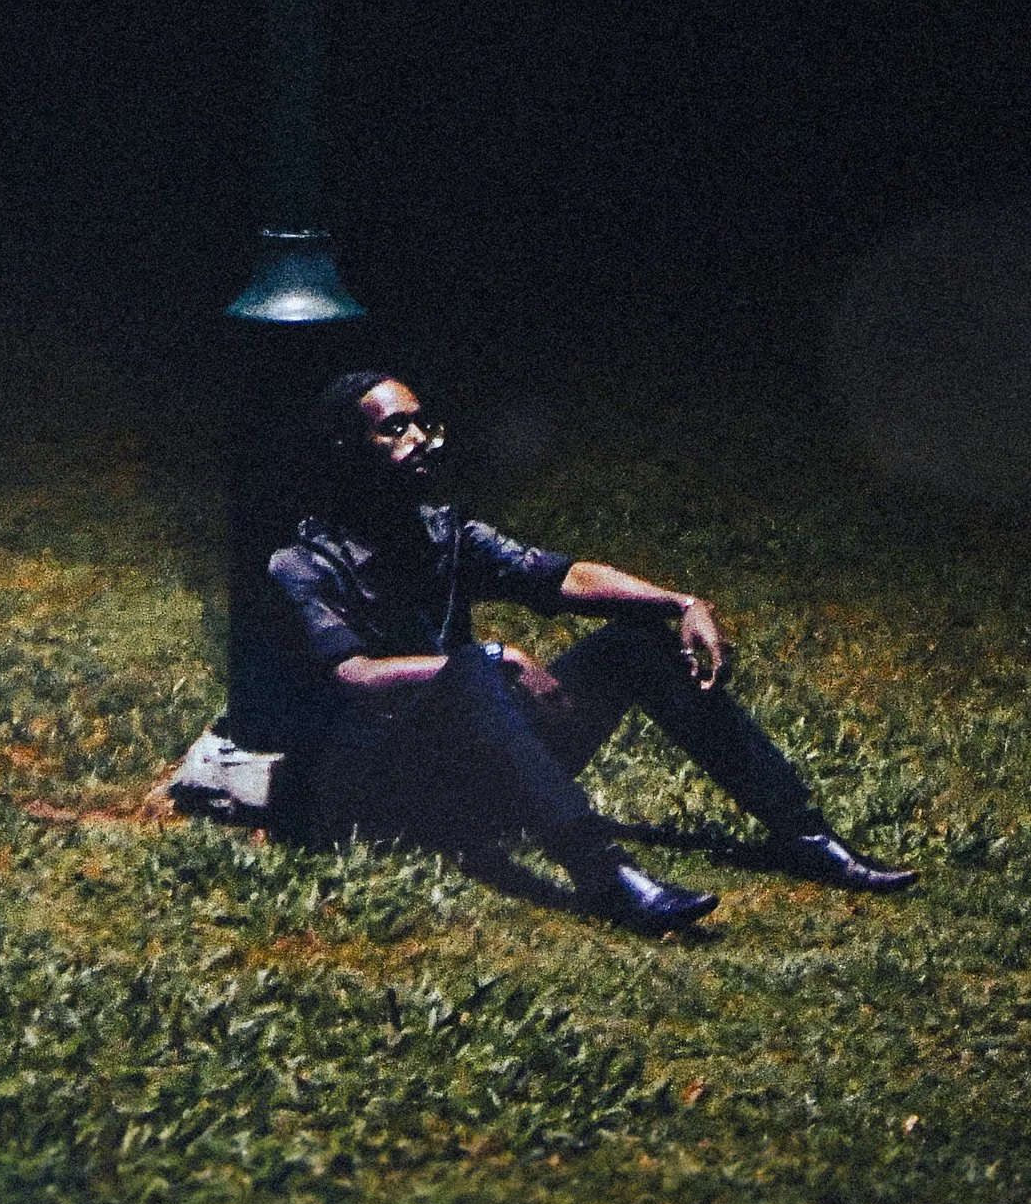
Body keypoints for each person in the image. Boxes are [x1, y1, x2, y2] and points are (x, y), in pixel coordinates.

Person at [269, 369, 916, 934]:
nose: (420, 440)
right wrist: (489, 661)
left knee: (635, 644)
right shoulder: (302, 564)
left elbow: (562, 576)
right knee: (471, 671)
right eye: (393, 429)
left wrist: (680, 603)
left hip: (484, 767)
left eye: (422, 424)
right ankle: (604, 874)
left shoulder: (445, 532)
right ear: (346, 450)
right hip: (395, 789)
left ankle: (802, 835)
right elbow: (354, 676)